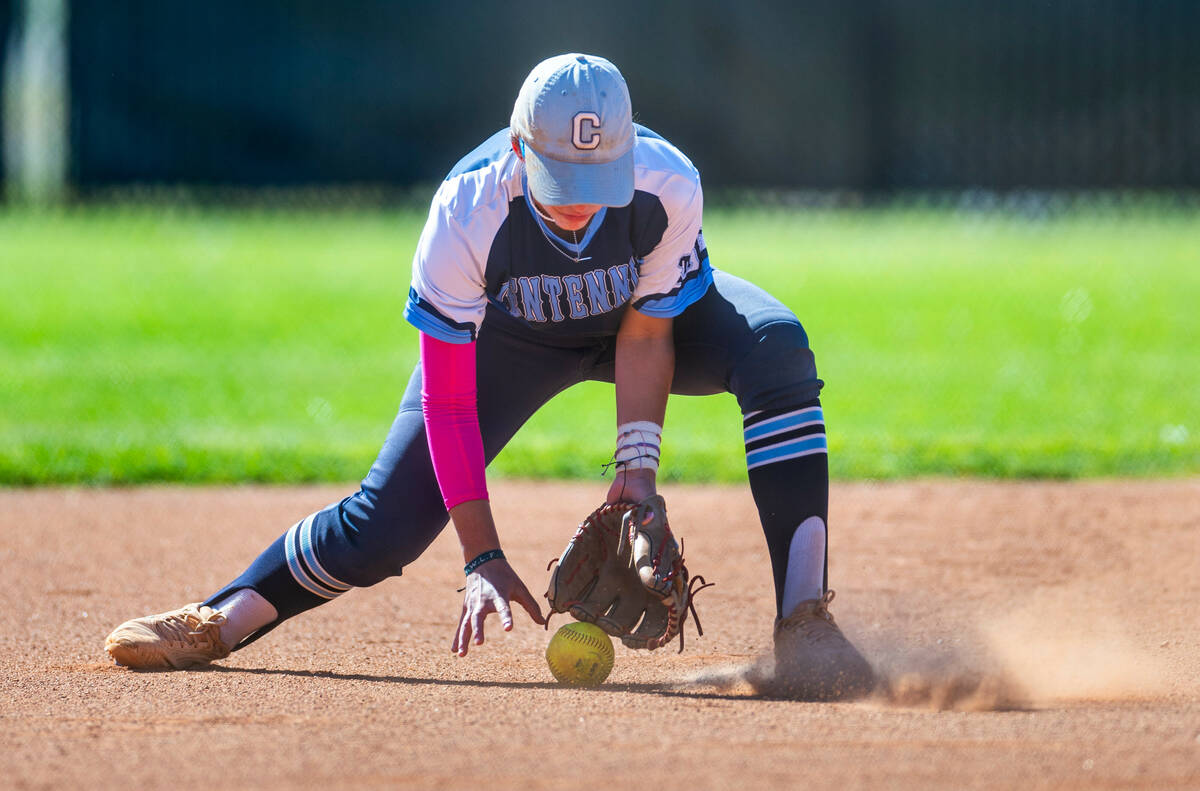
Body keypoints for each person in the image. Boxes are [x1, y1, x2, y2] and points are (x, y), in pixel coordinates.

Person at [104, 53, 874, 700]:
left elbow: (646, 331)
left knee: (776, 346)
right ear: (517, 148)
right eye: (560, 178)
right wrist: (481, 554)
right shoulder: (466, 208)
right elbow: (446, 394)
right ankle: (217, 617)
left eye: (597, 177)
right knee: (384, 525)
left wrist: (636, 475)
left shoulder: (666, 183)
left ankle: (806, 626)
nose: (580, 206)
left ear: (629, 147)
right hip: (512, 338)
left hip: (638, 324)